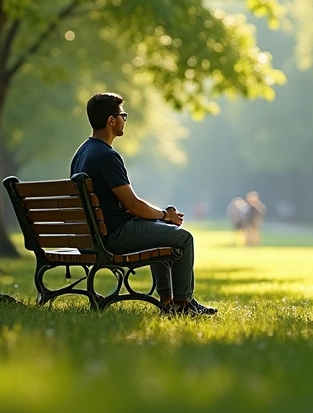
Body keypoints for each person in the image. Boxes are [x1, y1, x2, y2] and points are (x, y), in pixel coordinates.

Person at [71, 93, 216, 317]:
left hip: (91, 237)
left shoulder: (82, 153)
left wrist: (159, 217)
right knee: (183, 238)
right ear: (111, 120)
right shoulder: (106, 156)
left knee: (163, 232)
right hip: (113, 236)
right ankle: (182, 305)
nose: (124, 120)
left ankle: (168, 300)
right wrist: (164, 216)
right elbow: (133, 205)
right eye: (123, 116)